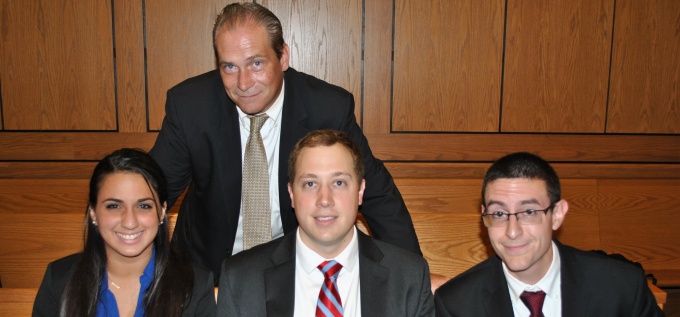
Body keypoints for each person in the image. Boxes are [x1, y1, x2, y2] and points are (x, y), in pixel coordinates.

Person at [149, 2, 420, 283]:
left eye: (256, 63)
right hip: (206, 275)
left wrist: (415, 280)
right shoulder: (191, 107)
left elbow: (377, 195)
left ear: (283, 57)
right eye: (229, 67)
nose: (243, 83)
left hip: (295, 275)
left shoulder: (327, 109)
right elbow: (150, 192)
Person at [216, 130, 435, 316]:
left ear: (360, 191)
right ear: (291, 193)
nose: (324, 200)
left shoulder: (409, 277)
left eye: (339, 183)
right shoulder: (240, 279)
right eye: (310, 184)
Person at [434, 152, 663, 316]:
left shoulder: (620, 286)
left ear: (557, 214)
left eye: (529, 212)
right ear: (484, 216)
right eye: (499, 213)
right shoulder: (456, 304)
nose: (512, 231)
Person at [33, 148, 216, 317]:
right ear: (93, 213)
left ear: (161, 212)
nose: (130, 222)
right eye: (114, 206)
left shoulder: (195, 286)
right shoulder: (59, 280)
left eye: (143, 206)